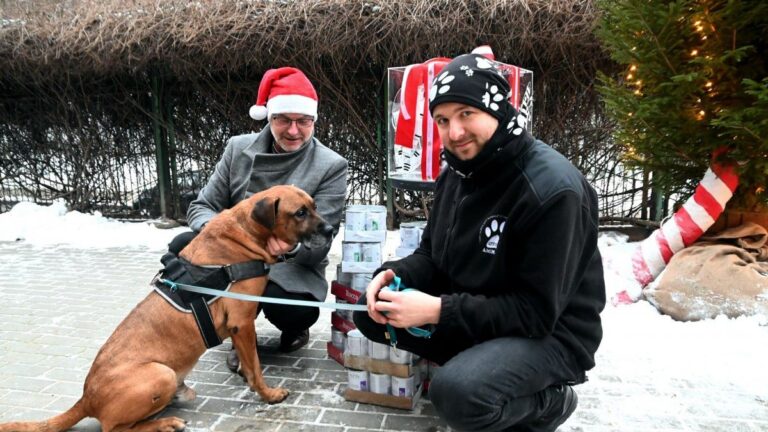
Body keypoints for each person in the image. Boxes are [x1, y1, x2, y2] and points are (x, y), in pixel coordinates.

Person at [353, 53, 605, 432]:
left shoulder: (553, 190)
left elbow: (535, 313)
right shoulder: (457, 170)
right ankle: (482, 366)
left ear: (498, 112)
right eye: (442, 120)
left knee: (457, 393)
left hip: (552, 333)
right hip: (480, 304)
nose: (454, 132)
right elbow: (431, 255)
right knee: (370, 314)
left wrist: (437, 311)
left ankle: (549, 401)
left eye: (466, 113)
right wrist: (393, 274)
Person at [168, 67, 347, 372]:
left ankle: (288, 327)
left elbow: (320, 241)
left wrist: (287, 248)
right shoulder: (238, 148)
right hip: (235, 254)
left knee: (292, 310)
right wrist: (230, 234)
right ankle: (230, 328)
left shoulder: (331, 165)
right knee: (181, 247)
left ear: (314, 121)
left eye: (303, 121)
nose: (293, 131)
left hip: (290, 264)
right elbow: (201, 207)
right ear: (268, 117)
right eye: (283, 120)